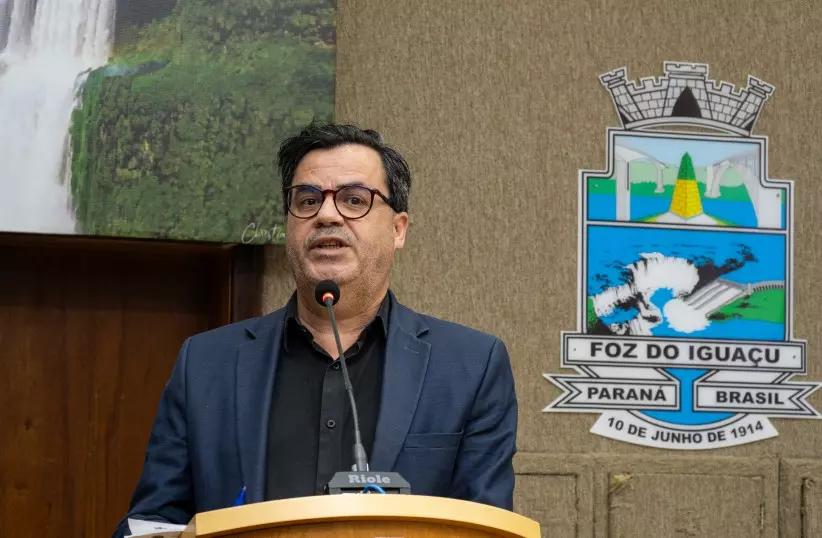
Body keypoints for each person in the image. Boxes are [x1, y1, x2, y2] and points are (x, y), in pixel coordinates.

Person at [113, 122, 518, 537]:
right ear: (288, 225)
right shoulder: (205, 364)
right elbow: (150, 522)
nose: (326, 214)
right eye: (307, 200)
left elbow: (487, 527)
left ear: (398, 229)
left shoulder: (470, 367)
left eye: (354, 199)